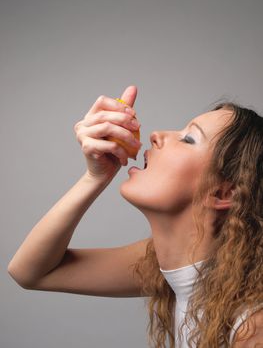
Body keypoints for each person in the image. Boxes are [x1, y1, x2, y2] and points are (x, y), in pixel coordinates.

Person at [8, 85, 263, 347]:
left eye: (189, 139)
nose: (156, 135)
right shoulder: (165, 265)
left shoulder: (253, 327)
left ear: (224, 193)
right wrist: (95, 177)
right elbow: (30, 272)